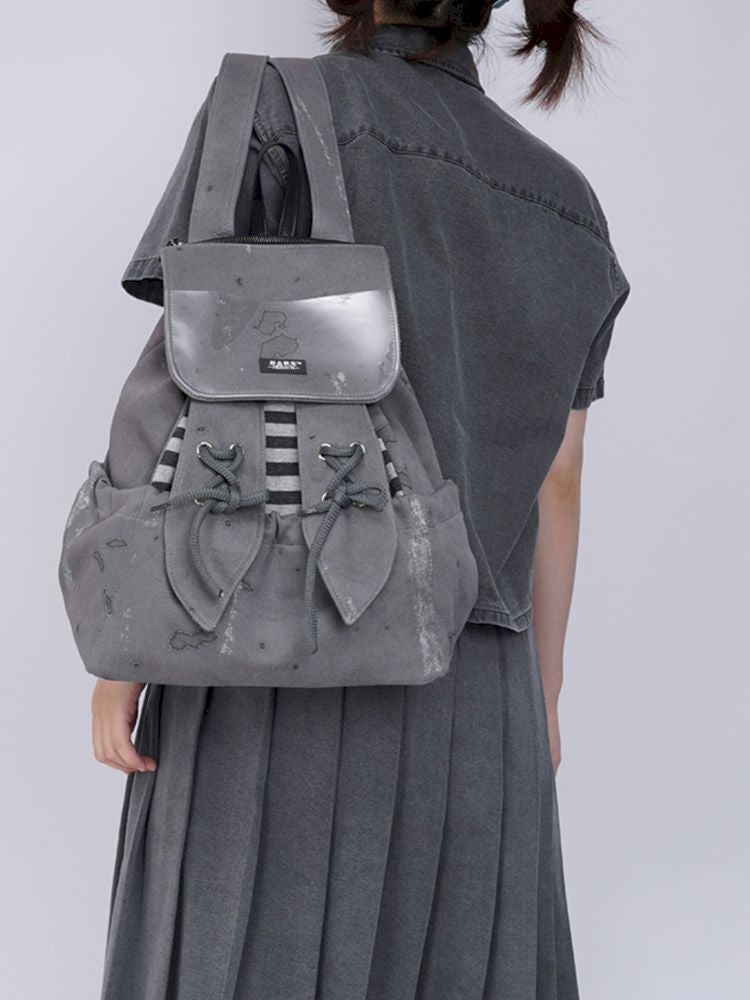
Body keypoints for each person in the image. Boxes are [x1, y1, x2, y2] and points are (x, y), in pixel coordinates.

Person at [91, 2, 630, 998]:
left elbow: (193, 382)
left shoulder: (272, 113)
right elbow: (560, 474)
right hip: (486, 712)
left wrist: (126, 643)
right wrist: (542, 699)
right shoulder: (567, 205)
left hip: (276, 659)